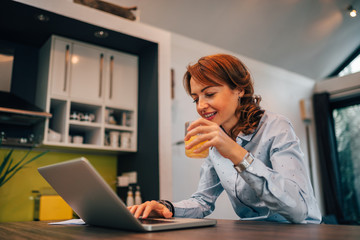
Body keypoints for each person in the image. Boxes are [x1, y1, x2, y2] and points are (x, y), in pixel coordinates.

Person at [128, 53, 322, 223]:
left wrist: (237, 154)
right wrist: (167, 208)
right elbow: (203, 202)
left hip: (300, 230)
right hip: (253, 232)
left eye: (209, 94)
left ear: (239, 89)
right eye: (196, 99)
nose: (200, 106)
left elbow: (298, 211)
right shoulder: (215, 140)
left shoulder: (275, 127)